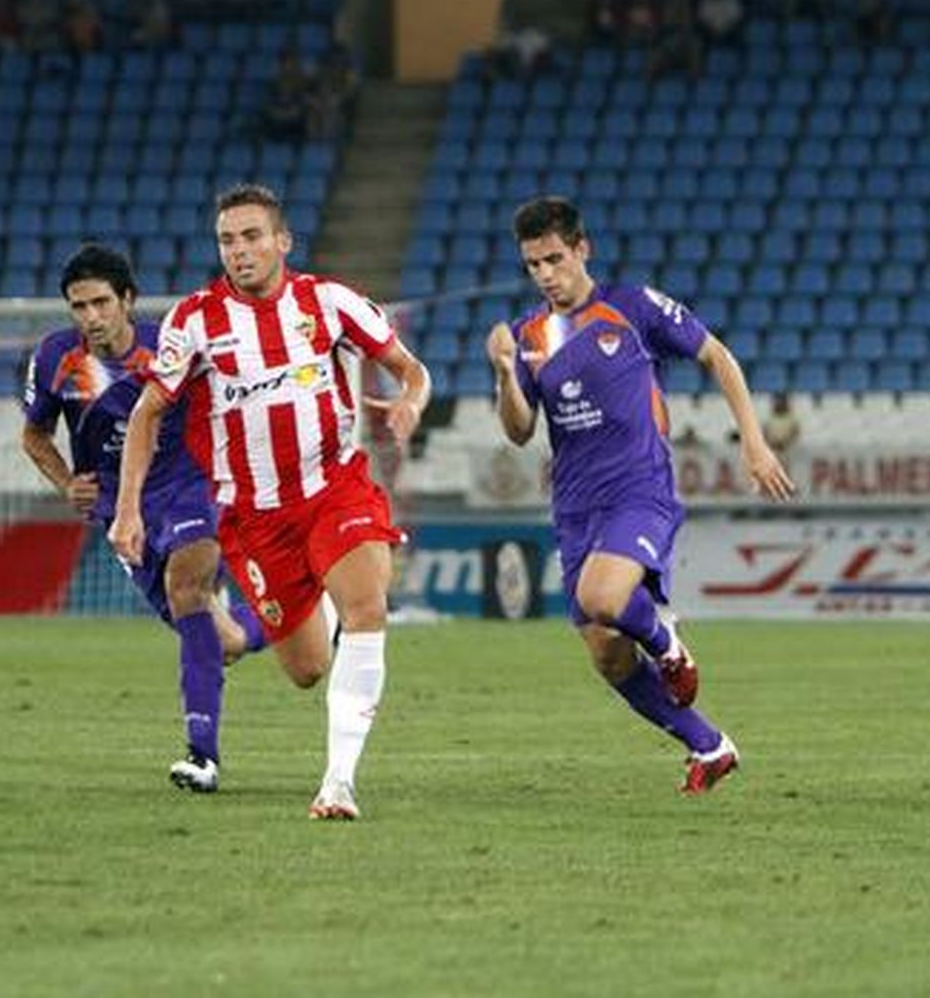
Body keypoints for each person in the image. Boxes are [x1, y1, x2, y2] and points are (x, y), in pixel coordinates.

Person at [109, 183, 431, 820]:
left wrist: (410, 402)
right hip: (254, 517)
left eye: (252, 236)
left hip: (333, 486)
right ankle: (322, 598)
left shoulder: (329, 302)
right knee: (307, 668)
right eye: (227, 240)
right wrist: (127, 509)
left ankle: (338, 783)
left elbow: (411, 369)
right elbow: (147, 413)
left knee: (368, 606)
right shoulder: (195, 321)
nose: (239, 250)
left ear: (282, 241)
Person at [484, 196, 794, 795]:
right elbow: (519, 430)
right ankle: (710, 746)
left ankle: (666, 643)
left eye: (554, 259)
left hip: (639, 490)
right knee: (607, 655)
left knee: (602, 597)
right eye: (533, 265)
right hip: (574, 507)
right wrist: (503, 373)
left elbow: (717, 356)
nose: (545, 274)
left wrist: (754, 444)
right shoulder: (528, 335)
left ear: (582, 249)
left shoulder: (634, 307)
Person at [21, 243, 268, 792]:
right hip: (119, 509)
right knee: (221, 639)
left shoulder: (170, 346)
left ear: (127, 300)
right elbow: (34, 435)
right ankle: (299, 616)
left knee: (187, 588)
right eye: (79, 306)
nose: (91, 317)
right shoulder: (56, 357)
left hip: (189, 486)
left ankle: (202, 755)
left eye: (101, 303)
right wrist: (67, 483)